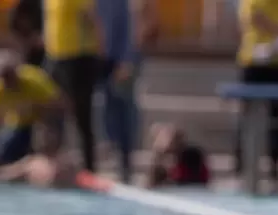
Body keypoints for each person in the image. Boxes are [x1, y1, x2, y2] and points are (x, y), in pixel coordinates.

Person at [0, 50, 66, 178]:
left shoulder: (34, 79)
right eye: (3, 77)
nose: (7, 81)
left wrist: (38, 108)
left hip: (43, 121)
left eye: (9, 75)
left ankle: (48, 159)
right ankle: (25, 164)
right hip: (19, 124)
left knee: (46, 137)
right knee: (1, 155)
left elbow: (60, 104)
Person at [234, 0, 278, 194]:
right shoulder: (253, 2)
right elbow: (256, 19)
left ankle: (275, 169)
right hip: (255, 64)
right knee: (247, 116)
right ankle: (242, 168)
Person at [95, 0, 158, 183]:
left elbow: (137, 25)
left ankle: (126, 161)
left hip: (123, 59)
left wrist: (128, 59)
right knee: (108, 109)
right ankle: (115, 155)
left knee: (125, 108)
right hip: (104, 59)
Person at [43, 0, 104, 173]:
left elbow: (92, 19)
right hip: (55, 57)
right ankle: (54, 164)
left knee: (82, 115)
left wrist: (100, 50)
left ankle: (89, 167)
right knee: (52, 113)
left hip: (78, 58)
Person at [147, 123, 211, 188]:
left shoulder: (192, 155)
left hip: (191, 187)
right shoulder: (161, 159)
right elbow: (152, 182)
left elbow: (196, 179)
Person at [9, 0, 44, 67]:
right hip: (32, 50)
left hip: (50, 50)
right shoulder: (26, 4)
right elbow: (14, 23)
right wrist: (30, 37)